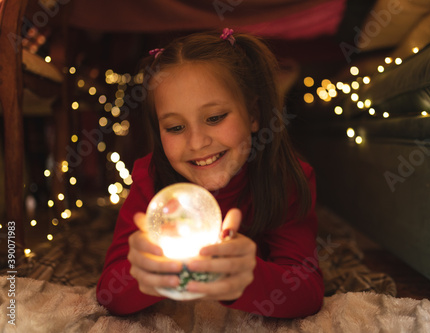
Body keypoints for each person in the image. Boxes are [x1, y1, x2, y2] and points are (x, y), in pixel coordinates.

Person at [96, 28, 324, 318]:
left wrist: (244, 278)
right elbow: (108, 294)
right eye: (176, 127)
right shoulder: (150, 179)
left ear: (253, 115)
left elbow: (308, 292)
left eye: (215, 118)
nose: (197, 142)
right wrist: (146, 274)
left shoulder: (286, 178)